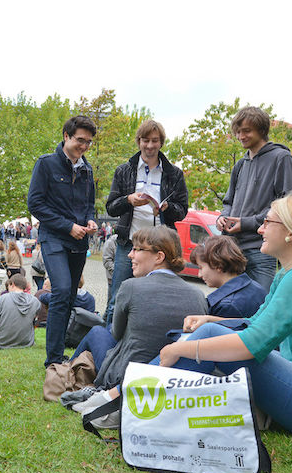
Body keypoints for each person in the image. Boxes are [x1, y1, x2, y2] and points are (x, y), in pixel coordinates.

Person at [88, 193, 292, 440]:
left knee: (202, 341)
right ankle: (124, 398)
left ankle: (123, 401)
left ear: (291, 232)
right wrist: (212, 321)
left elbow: (253, 343)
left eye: (267, 222)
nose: (259, 229)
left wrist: (182, 347)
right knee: (207, 333)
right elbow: (256, 322)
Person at [70, 227, 206, 383]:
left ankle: (64, 374)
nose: (130, 254)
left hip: (128, 377)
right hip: (175, 380)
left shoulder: (131, 287)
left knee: (97, 331)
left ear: (159, 257)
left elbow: (116, 334)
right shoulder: (198, 295)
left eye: (136, 249)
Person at [27, 115, 98, 367]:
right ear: (66, 136)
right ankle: (53, 360)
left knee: (69, 296)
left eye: (88, 142)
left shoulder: (87, 169)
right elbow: (35, 204)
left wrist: (90, 221)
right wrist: (68, 227)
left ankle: (58, 353)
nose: (84, 146)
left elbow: (90, 205)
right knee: (61, 291)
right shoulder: (45, 164)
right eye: (80, 140)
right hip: (54, 239)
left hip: (79, 243)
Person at [104, 119, 188, 326]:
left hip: (161, 247)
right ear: (138, 141)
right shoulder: (124, 170)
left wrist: (168, 208)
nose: (149, 146)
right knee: (118, 297)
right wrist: (128, 200)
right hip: (129, 243)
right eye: (145, 140)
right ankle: (107, 346)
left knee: (160, 298)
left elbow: (182, 210)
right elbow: (111, 206)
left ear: (161, 143)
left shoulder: (174, 173)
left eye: (154, 141)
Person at [217, 106, 292, 291]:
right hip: (232, 250)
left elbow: (289, 204)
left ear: (262, 130)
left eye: (246, 131)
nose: (241, 136)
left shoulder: (281, 157)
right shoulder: (240, 164)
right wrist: (222, 217)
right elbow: (228, 201)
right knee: (234, 307)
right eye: (238, 132)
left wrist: (246, 223)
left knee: (262, 306)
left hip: (262, 249)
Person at [190, 235, 267, 319]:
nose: (199, 275)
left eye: (201, 268)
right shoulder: (257, 288)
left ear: (217, 265)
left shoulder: (227, 306)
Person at [102, 233, 117, 304]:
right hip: (112, 278)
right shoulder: (110, 243)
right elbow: (107, 261)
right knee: (111, 303)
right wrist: (119, 271)